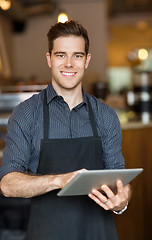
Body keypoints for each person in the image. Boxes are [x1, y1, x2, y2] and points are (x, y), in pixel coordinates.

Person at [0, 20, 131, 240]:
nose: (69, 63)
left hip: (98, 233)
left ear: (87, 60)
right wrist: (59, 180)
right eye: (61, 55)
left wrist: (123, 202)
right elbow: (7, 184)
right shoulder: (26, 114)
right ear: (49, 59)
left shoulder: (106, 116)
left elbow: (119, 180)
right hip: (46, 233)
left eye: (77, 56)